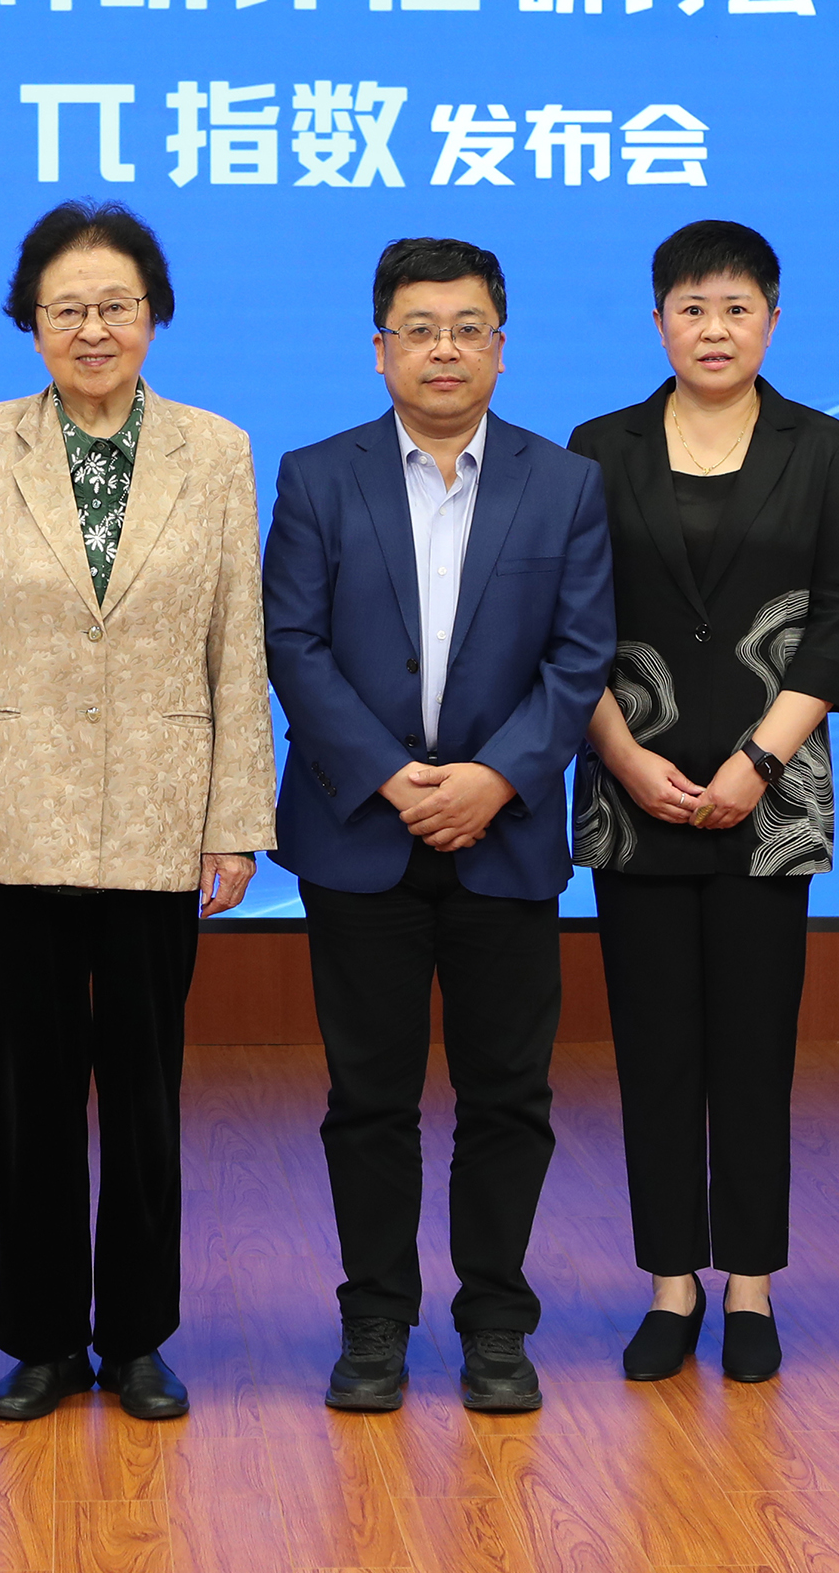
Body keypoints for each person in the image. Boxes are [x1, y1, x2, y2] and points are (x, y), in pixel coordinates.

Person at [0, 203, 276, 1424]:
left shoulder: (215, 449)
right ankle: (40, 1339)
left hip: (163, 815)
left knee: (146, 1090)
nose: (92, 328)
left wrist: (236, 817)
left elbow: (238, 642)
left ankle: (135, 1337)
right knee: (30, 1094)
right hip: (20, 812)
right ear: (30, 323)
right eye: (65, 308)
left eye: (116, 305)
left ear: (154, 315)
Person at [263, 238, 614, 1416]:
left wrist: (495, 778)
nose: (444, 349)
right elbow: (293, 643)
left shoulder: (564, 483)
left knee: (507, 1095)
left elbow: (580, 654)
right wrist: (391, 775)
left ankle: (495, 1323)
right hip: (359, 833)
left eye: (468, 328)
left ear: (502, 348)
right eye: (419, 329)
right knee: (369, 1097)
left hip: (503, 836)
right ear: (381, 350)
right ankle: (374, 1320)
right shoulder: (319, 476)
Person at [565, 219, 839, 1385]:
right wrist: (624, 757)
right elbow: (569, 624)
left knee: (754, 1050)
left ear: (773, 321)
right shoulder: (599, 447)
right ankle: (670, 1281)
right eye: (692, 307)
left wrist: (757, 759)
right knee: (653, 1050)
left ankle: (749, 1281)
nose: (714, 328)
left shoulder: (821, 446)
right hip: (631, 796)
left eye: (737, 308)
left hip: (771, 801)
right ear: (659, 321)